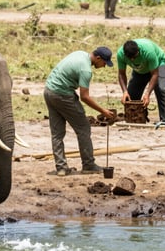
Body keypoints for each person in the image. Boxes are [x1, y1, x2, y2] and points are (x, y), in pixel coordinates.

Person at [44, 47, 117, 177]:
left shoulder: (79, 54)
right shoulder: (86, 70)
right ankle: (88, 165)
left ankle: (61, 168)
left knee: (57, 133)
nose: (104, 66)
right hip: (63, 95)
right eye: (104, 63)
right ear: (98, 58)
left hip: (49, 91)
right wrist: (103, 111)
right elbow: (85, 97)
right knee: (83, 128)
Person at [117, 38, 165, 122]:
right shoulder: (120, 54)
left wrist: (147, 94)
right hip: (140, 69)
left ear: (138, 51)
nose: (133, 60)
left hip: (159, 64)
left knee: (161, 90)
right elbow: (121, 74)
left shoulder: (148, 52)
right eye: (130, 58)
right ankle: (140, 117)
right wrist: (125, 92)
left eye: (135, 57)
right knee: (131, 97)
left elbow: (155, 74)